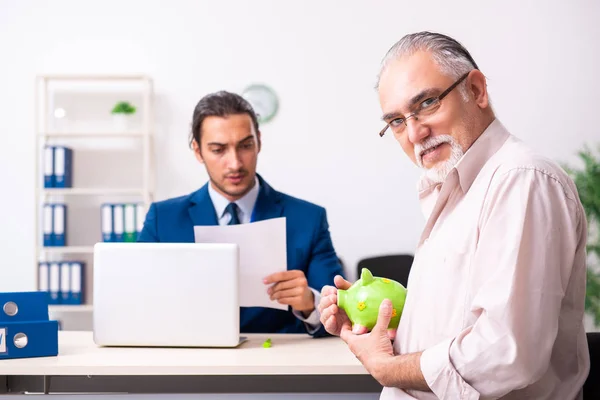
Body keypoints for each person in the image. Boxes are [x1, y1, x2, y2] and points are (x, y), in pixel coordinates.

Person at [318, 31, 590, 399]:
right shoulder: (453, 188)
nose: (414, 133)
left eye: (427, 103)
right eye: (396, 122)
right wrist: (371, 317)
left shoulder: (521, 180)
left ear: (476, 90)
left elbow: (507, 353)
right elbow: (448, 327)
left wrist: (386, 368)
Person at [138, 90, 343, 337]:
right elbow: (139, 301)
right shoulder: (163, 219)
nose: (235, 163)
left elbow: (340, 320)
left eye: (245, 146)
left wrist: (310, 303)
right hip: (190, 361)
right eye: (218, 149)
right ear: (197, 151)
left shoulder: (308, 219)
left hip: (279, 365)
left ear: (259, 142)